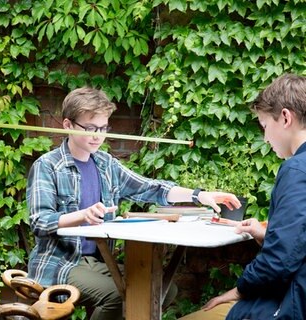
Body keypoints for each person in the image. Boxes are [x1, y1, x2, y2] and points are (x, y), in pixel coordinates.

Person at [26, 87, 242, 320]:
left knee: (163, 291)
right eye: (89, 128)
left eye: (103, 128)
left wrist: (199, 195)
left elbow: (150, 188)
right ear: (67, 125)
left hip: (99, 261)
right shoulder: (47, 166)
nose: (97, 135)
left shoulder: (106, 164)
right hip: (61, 263)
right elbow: (40, 221)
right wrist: (82, 215)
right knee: (119, 296)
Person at [180, 73, 306, 320]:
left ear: (285, 117)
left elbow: (280, 259)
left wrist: (239, 290)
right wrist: (267, 234)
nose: (265, 138)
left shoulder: (297, 170)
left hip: (291, 305)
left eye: (264, 126)